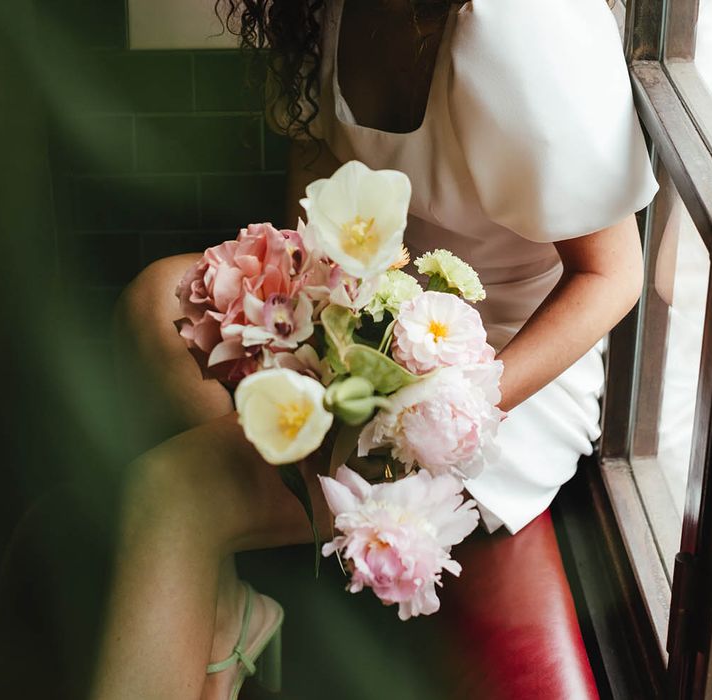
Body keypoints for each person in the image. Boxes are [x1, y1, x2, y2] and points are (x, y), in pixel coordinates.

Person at [90, 0, 658, 698]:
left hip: (504, 373)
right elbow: (322, 177)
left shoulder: (520, 22)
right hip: (375, 316)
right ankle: (224, 611)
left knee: (170, 492)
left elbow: (614, 275)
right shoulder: (324, 7)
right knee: (156, 305)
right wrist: (317, 325)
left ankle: (211, 599)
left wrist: (438, 409)